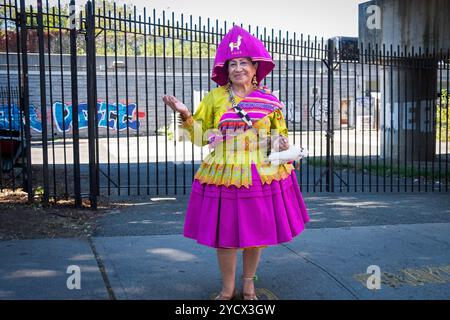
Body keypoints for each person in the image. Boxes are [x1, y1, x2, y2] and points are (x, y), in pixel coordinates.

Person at [162, 25, 310, 300]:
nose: (238, 67)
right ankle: (228, 288)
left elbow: (279, 135)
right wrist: (184, 114)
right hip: (225, 172)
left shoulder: (268, 100)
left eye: (244, 62)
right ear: (226, 69)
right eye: (233, 63)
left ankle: (249, 282)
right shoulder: (215, 97)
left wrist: (281, 143)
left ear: (255, 68)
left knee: (258, 233)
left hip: (262, 172)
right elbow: (199, 138)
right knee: (226, 235)